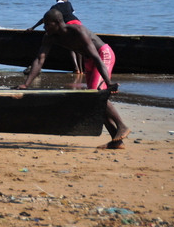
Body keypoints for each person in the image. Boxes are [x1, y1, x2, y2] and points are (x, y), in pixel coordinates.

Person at [17, 9, 130, 149]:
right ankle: (117, 141)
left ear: (58, 22)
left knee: (95, 95)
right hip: (89, 60)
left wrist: (108, 82)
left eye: (47, 24)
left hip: (102, 55)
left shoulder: (78, 31)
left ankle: (122, 126)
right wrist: (26, 84)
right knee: (94, 100)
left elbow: (96, 56)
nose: (44, 27)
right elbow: (40, 60)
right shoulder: (49, 37)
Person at [27, 0, 83, 73]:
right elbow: (71, 13)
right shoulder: (68, 4)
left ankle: (76, 68)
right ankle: (81, 70)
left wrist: (33, 27)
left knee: (72, 47)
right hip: (78, 23)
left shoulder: (54, 8)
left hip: (69, 24)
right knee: (78, 47)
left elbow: (44, 19)